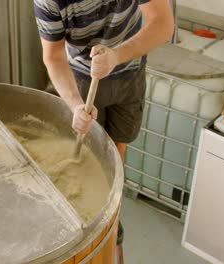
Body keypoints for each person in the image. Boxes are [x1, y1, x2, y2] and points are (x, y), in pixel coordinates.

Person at [34, 0, 174, 262]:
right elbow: (52, 56)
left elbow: (164, 25)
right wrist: (75, 105)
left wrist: (117, 55)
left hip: (129, 72)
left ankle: (113, 239)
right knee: (87, 162)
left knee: (115, 162)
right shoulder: (49, 1)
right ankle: (87, 244)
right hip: (80, 78)